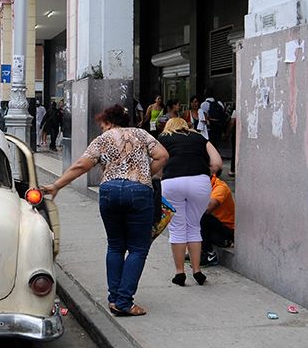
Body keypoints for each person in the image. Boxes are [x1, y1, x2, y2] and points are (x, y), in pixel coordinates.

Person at [43, 105, 168, 317]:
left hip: (109, 191)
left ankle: (114, 298)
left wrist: (57, 185)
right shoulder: (141, 134)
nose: (102, 129)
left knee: (116, 246)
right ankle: (125, 301)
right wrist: (145, 174)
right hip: (139, 191)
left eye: (102, 125)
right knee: (138, 249)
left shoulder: (103, 139)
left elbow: (82, 165)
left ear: (109, 122)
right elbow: (163, 155)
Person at [158, 117, 223, 287]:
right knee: (194, 226)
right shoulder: (200, 138)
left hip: (172, 182)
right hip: (199, 182)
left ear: (169, 126)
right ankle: (197, 270)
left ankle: (180, 273)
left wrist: (160, 176)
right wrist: (205, 171)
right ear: (186, 126)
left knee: (177, 228)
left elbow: (156, 162)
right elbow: (217, 162)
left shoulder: (163, 138)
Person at [200, 169, 235, 266]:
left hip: (226, 229)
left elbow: (208, 208)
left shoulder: (220, 187)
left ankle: (208, 253)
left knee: (202, 216)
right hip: (212, 226)